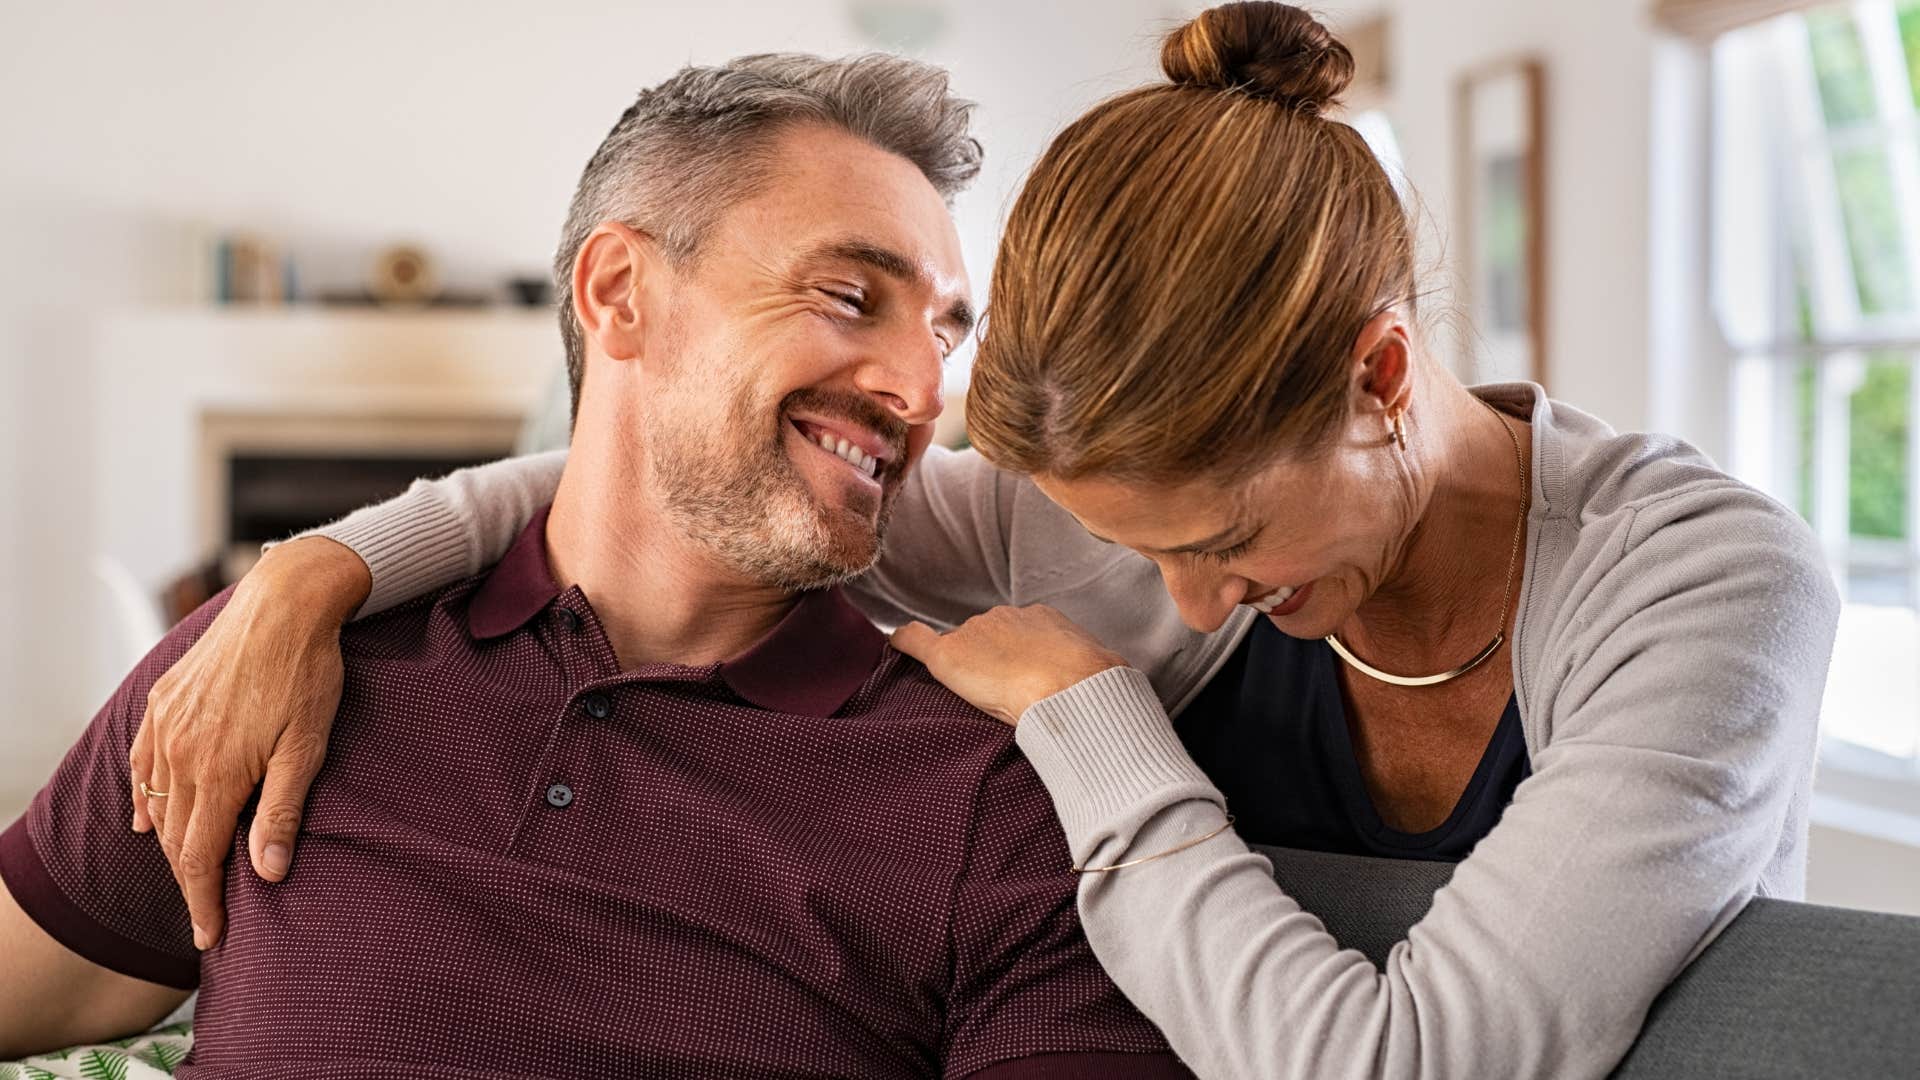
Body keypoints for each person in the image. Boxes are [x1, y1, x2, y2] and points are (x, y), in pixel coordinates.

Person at [123, 4, 1842, 1078]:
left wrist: (1089, 715)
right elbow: (674, 480)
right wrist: (316, 574)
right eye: (1128, 546)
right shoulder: (1067, 531)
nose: (1182, 597)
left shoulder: (1706, 592)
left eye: (1228, 542)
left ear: (1379, 373)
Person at [0, 52, 1193, 1078]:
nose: (925, 391)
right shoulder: (275, 668)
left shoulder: (986, 799)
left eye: (942, 331)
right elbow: (42, 981)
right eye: (848, 295)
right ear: (619, 295)